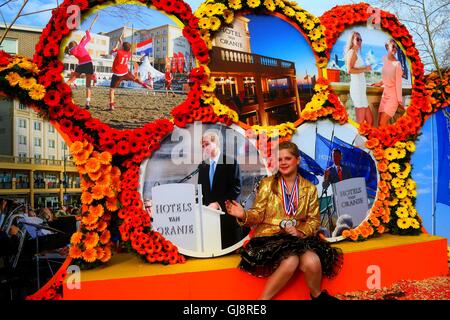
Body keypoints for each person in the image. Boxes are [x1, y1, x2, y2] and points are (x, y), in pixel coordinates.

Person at [225, 141, 343, 300]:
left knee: (313, 261)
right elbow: (258, 214)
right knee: (291, 260)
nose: (283, 162)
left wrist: (300, 231)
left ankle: (316, 296)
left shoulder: (309, 188)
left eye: (288, 158)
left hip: (297, 238)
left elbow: (314, 221)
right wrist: (243, 215)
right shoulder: (267, 184)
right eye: (280, 159)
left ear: (298, 160)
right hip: (271, 237)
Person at [198, 131, 245, 250]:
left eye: (207, 144)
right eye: (202, 146)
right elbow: (202, 191)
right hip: (209, 220)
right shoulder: (203, 166)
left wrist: (218, 203)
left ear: (216, 143)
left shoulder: (230, 161)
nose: (204, 148)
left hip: (228, 217)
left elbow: (236, 188)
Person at [109, 37, 152, 111]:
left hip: (117, 74)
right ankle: (146, 86)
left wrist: (117, 45)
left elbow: (111, 52)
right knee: (136, 79)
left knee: (112, 90)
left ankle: (111, 105)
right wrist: (121, 42)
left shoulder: (118, 52)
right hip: (125, 72)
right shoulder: (128, 54)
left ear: (122, 47)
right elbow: (124, 48)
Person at [372, 39, 404, 127]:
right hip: (384, 95)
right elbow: (387, 76)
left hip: (393, 97)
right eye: (393, 46)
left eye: (396, 48)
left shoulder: (397, 64)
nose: (395, 49)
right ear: (387, 47)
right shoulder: (384, 59)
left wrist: (399, 101)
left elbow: (398, 83)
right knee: (379, 123)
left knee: (382, 123)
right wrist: (380, 83)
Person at [344, 32, 373, 126]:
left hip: (361, 89)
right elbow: (349, 70)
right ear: (352, 40)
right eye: (357, 39)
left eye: (361, 39)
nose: (360, 41)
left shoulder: (356, 53)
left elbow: (358, 71)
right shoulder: (352, 52)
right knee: (360, 123)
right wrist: (366, 69)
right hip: (357, 89)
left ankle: (366, 140)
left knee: (369, 121)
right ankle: (358, 141)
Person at [65, 29, 94, 109]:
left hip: (80, 65)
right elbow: (88, 38)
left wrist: (82, 39)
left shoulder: (72, 51)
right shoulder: (80, 46)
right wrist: (87, 32)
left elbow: (80, 45)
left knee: (70, 81)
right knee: (88, 86)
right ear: (76, 44)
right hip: (88, 64)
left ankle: (62, 90)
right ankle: (87, 104)